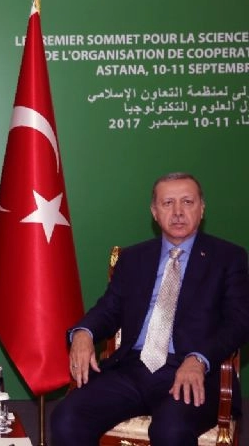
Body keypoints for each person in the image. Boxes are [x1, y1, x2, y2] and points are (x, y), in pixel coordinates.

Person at [51, 172, 249, 446]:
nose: (178, 212)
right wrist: (83, 332)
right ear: (154, 212)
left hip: (192, 371)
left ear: (202, 209)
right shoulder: (133, 258)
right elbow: (109, 308)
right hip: (132, 368)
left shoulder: (228, 257)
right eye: (168, 203)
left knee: (170, 430)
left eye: (187, 202)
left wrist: (199, 359)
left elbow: (239, 322)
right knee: (66, 418)